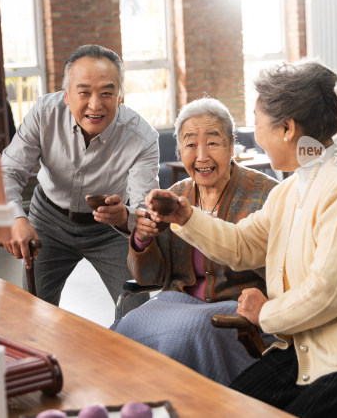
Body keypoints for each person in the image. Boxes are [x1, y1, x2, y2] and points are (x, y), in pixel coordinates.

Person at [145, 61, 337, 417]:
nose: (254, 136)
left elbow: (329, 292)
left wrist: (264, 313)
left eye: (256, 123)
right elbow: (242, 245)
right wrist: (185, 215)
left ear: (286, 128)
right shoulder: (291, 189)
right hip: (312, 350)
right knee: (225, 409)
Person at [112, 98, 278, 385]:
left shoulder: (267, 194)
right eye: (190, 145)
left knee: (190, 334)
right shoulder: (174, 195)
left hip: (237, 306)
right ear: (179, 149)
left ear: (231, 144)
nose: (201, 156)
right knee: (122, 332)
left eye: (213, 143)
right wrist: (142, 239)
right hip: (178, 302)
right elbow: (151, 277)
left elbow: (280, 271)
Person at [0, 44, 159, 311]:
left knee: (138, 313)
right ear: (66, 95)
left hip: (110, 230)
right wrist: (15, 218)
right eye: (84, 92)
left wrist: (124, 217)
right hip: (48, 219)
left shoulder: (142, 137)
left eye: (107, 93)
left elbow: (146, 212)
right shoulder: (43, 113)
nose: (95, 105)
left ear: (121, 96)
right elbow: (8, 169)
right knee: (33, 311)